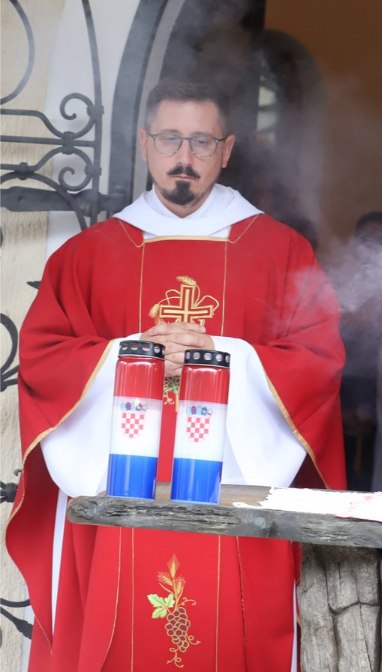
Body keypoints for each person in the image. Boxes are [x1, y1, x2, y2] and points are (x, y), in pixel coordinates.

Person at [8, 79, 346, 670]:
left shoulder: (281, 253)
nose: (183, 157)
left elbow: (317, 362)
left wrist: (223, 355)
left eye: (200, 141)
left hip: (234, 493)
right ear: (144, 143)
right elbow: (44, 358)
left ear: (227, 150)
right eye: (169, 139)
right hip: (118, 487)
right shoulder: (86, 256)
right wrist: (129, 355)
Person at [338, 210, 382, 490]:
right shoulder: (341, 282)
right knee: (340, 477)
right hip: (343, 393)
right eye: (367, 241)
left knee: (378, 483)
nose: (375, 250)